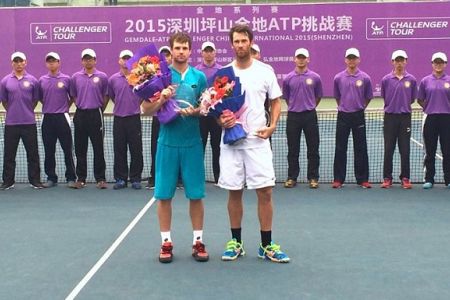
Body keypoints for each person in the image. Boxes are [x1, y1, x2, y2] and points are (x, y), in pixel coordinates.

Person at [219, 24, 290, 263]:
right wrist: (221, 119)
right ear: (232, 44)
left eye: (244, 41)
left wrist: (273, 125)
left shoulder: (265, 71)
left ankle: (266, 245)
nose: (240, 45)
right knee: (234, 192)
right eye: (236, 41)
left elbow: (276, 102)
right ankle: (236, 243)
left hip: (258, 142)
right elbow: (215, 107)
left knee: (266, 193)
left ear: (250, 42)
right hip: (231, 143)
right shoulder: (224, 73)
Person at [141, 33, 209, 263]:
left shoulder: (199, 77)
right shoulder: (159, 77)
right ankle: (166, 243)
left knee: (196, 195)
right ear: (170, 51)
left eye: (185, 48)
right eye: (177, 48)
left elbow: (207, 106)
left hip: (192, 144)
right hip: (167, 144)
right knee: (163, 195)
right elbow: (146, 110)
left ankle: (198, 241)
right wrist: (162, 98)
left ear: (191, 51)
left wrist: (198, 110)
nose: (181, 51)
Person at [0, 51, 44, 190]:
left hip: (29, 123)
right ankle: (8, 181)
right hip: (11, 124)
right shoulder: (5, 81)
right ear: (12, 63)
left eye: (21, 61)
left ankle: (35, 180)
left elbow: (35, 100)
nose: (19, 64)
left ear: (25, 62)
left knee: (33, 153)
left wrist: (26, 111)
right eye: (16, 61)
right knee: (9, 154)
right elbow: (4, 101)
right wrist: (13, 111)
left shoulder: (33, 80)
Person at [332, 48, 373, 188]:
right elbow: (337, 97)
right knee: (340, 148)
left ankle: (362, 179)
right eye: (349, 58)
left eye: (354, 58)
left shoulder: (365, 78)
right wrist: (344, 107)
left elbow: (368, 98)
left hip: (358, 115)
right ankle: (338, 179)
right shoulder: (338, 78)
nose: (351, 60)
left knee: (361, 147)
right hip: (343, 115)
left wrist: (359, 107)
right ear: (345, 60)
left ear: (358, 60)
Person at [283, 48, 322, 189]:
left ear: (308, 59)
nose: (301, 60)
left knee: (313, 149)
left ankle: (313, 177)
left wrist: (309, 106)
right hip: (293, 116)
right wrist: (295, 107)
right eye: (298, 57)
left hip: (310, 116)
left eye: (303, 57)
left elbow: (318, 97)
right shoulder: (288, 78)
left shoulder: (315, 77)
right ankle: (292, 177)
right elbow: (287, 98)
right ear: (294, 59)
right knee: (293, 149)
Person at [70, 48, 109, 189]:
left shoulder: (103, 77)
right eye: (85, 59)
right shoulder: (75, 77)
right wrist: (82, 106)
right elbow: (73, 96)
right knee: (80, 148)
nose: (88, 61)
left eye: (90, 58)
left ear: (95, 60)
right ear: (82, 61)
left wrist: (97, 108)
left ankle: (100, 179)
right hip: (80, 115)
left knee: (98, 148)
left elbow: (106, 96)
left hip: (96, 115)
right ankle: (81, 178)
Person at [39, 52, 77, 188]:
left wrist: (64, 107)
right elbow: (40, 97)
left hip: (62, 117)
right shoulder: (42, 80)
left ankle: (71, 177)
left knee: (67, 149)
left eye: (54, 61)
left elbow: (72, 96)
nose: (51, 63)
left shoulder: (67, 79)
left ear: (59, 63)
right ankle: (51, 177)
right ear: (46, 64)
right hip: (47, 118)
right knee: (49, 150)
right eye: (49, 61)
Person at [380, 50, 417, 189]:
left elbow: (412, 99)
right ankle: (387, 178)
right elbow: (385, 96)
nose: (399, 63)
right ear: (392, 62)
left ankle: (405, 178)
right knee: (388, 149)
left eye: (402, 60)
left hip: (405, 118)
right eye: (397, 60)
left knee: (405, 149)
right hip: (390, 118)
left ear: (406, 61)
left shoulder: (412, 80)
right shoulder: (386, 80)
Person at [108, 50, 143, 190]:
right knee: (119, 150)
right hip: (119, 119)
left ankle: (135, 178)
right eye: (123, 58)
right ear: (119, 60)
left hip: (134, 118)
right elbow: (111, 96)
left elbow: (142, 96)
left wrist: (134, 106)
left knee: (136, 150)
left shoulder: (140, 78)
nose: (126, 61)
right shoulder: (113, 79)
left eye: (128, 58)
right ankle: (121, 178)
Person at [417, 52, 450, 189]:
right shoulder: (425, 81)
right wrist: (429, 107)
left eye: (441, 62)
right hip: (430, 118)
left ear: (445, 64)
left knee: (447, 150)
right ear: (432, 64)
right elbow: (420, 99)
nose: (438, 64)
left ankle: (448, 179)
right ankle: (429, 179)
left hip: (446, 119)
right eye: (436, 62)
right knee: (430, 150)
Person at [147, 45, 174, 189]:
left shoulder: (178, 74)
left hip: (175, 117)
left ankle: (178, 178)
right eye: (162, 55)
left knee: (176, 147)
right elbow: (147, 101)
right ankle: (154, 176)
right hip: (158, 117)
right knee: (155, 147)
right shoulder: (152, 77)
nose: (165, 57)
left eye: (167, 55)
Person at [195, 41, 222, 183]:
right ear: (202, 53)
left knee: (218, 147)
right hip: (201, 115)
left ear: (215, 52)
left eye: (211, 50)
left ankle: (219, 177)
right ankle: (198, 177)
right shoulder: (196, 71)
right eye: (206, 50)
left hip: (216, 115)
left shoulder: (222, 70)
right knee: (200, 146)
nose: (209, 53)